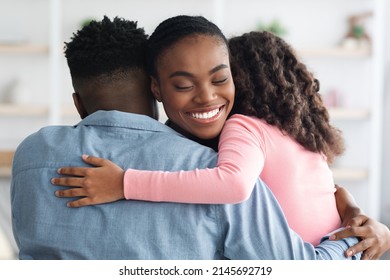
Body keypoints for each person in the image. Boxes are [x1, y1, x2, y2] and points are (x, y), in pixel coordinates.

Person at [11, 15, 362, 260]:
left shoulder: (30, 156)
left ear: (78, 103)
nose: (206, 97)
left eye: (219, 79)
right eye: (183, 84)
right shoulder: (210, 166)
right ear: (156, 90)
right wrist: (357, 241)